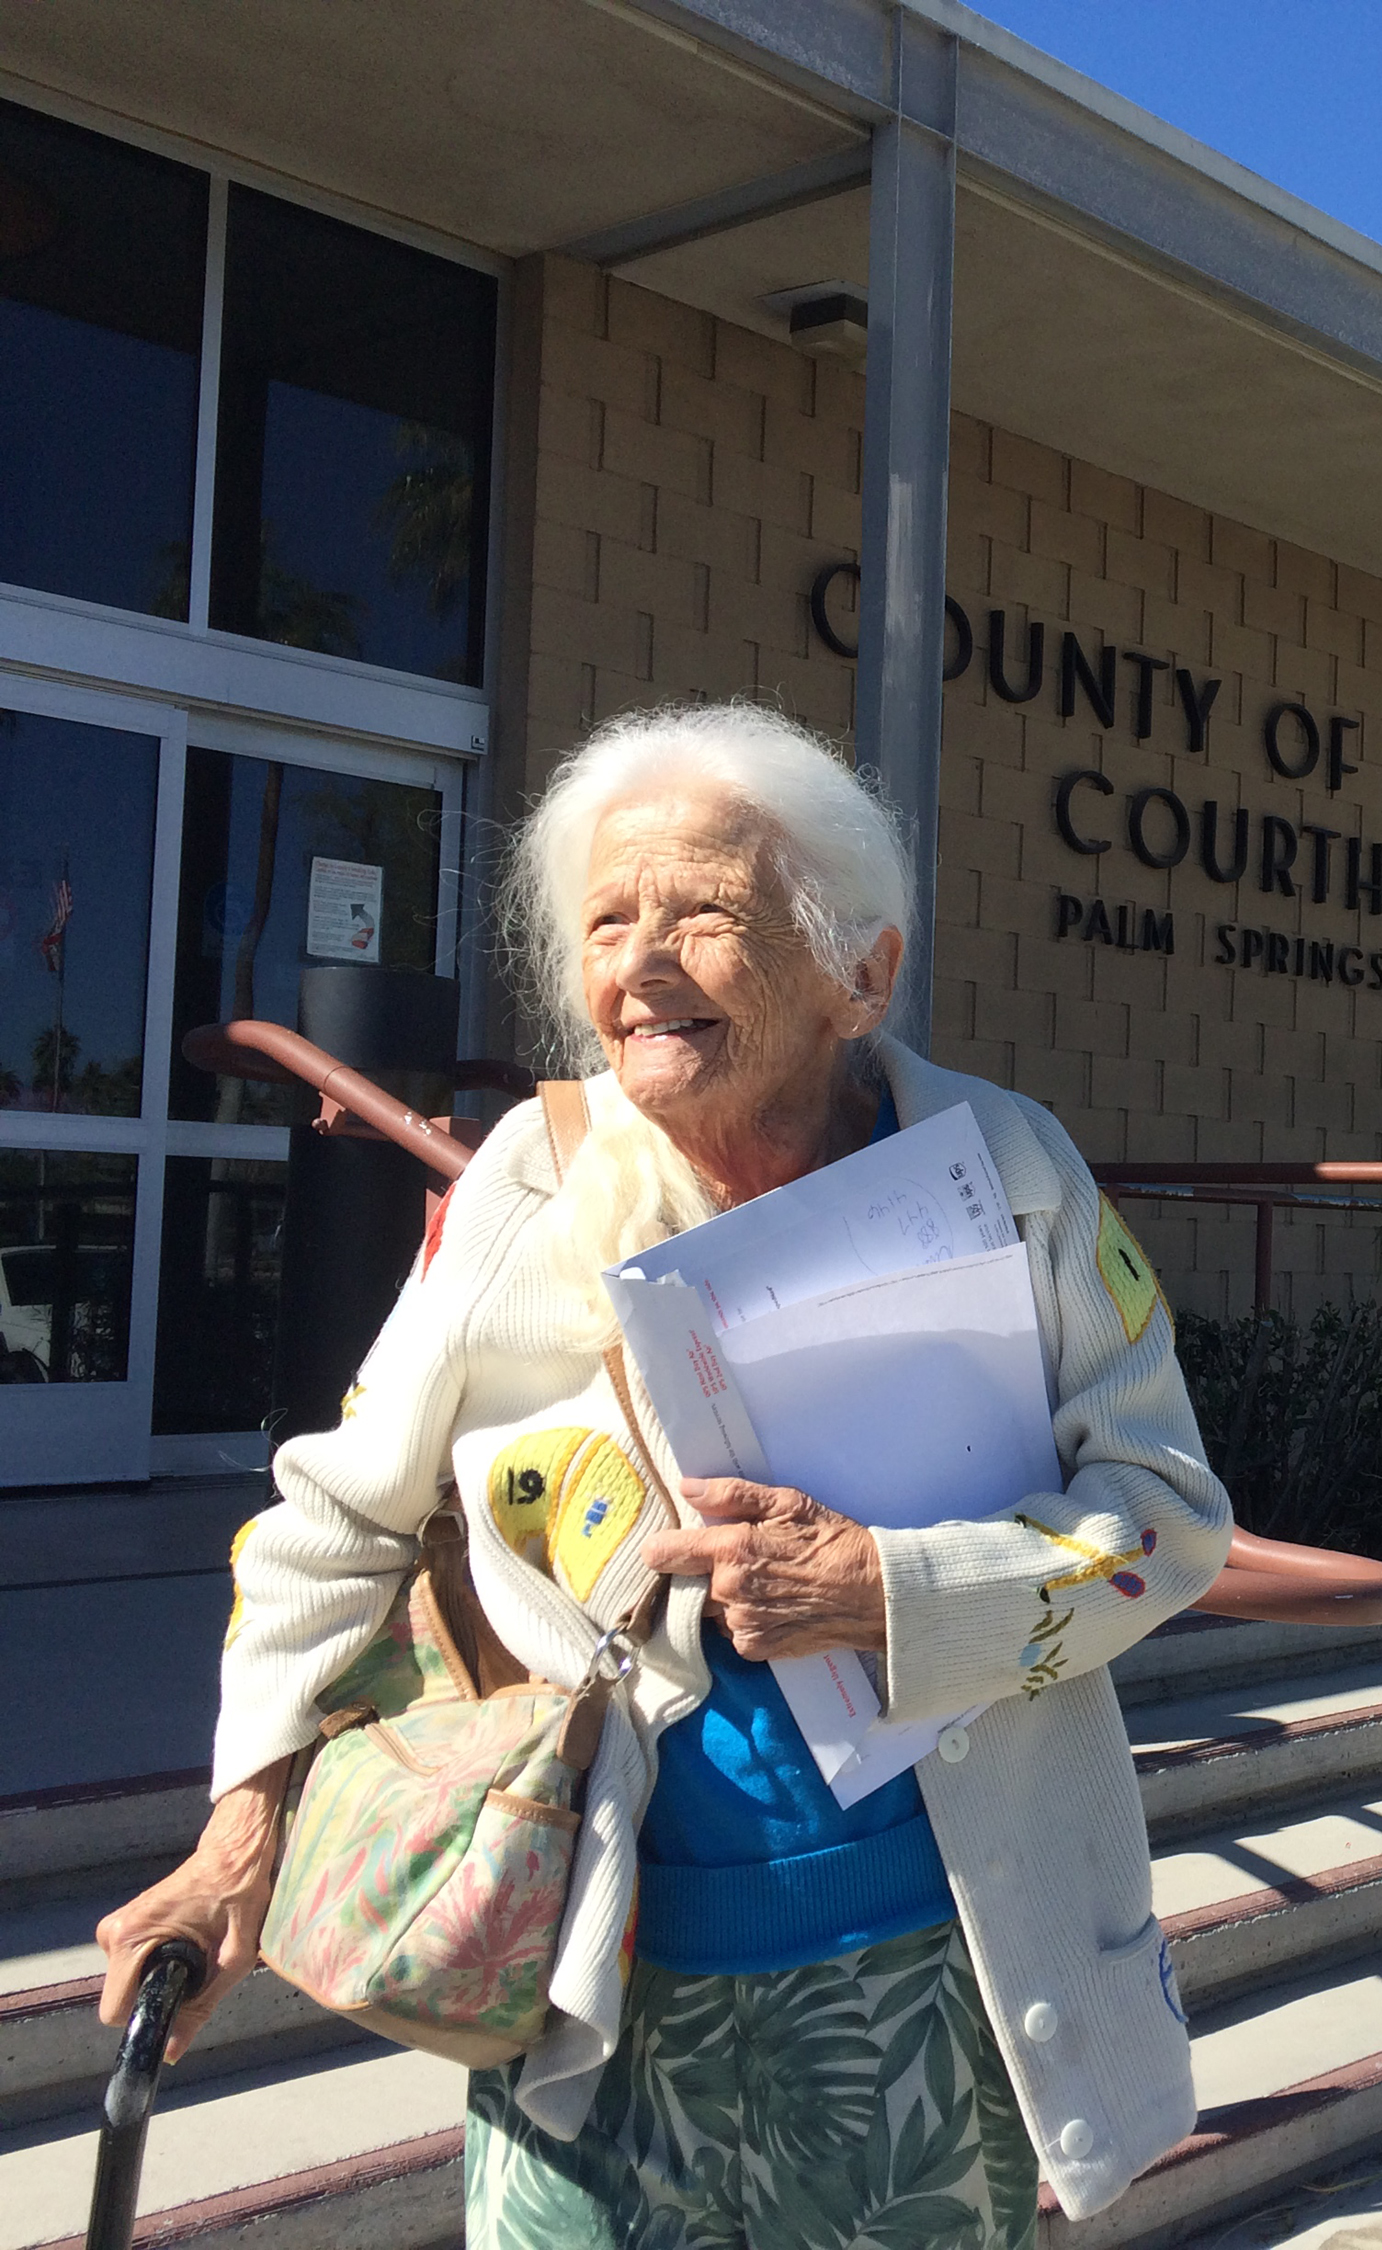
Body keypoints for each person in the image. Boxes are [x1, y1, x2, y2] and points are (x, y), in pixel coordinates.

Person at [94, 702, 1232, 2247]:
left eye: (702, 913)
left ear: (861, 972)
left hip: (921, 1981)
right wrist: (241, 1833)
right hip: (590, 1992)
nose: (637, 964)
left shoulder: (1009, 1162)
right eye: (607, 921)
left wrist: (889, 1592)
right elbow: (336, 1519)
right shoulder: (533, 1181)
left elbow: (1164, 1517)